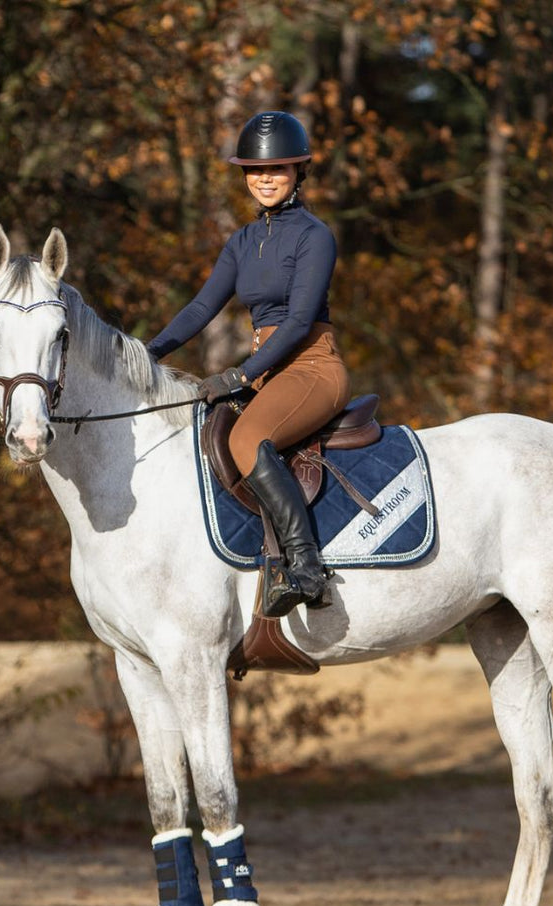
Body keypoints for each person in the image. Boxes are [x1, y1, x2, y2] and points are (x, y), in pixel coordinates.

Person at [148, 110, 350, 616]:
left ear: (299, 171)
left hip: (311, 366)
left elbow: (301, 321)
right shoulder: (241, 242)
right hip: (267, 370)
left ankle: (305, 568)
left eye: (277, 169)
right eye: (255, 170)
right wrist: (145, 354)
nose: (264, 178)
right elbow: (200, 309)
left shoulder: (314, 236)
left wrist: (241, 374)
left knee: (244, 438)